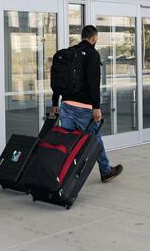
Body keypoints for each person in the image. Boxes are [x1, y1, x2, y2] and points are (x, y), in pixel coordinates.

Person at [50, 25, 123, 183]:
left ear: (82, 36)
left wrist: (55, 103)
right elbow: (93, 83)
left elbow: (58, 80)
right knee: (95, 139)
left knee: (66, 141)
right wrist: (96, 107)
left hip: (66, 105)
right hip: (84, 109)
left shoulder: (68, 53)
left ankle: (59, 175)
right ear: (94, 38)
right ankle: (105, 171)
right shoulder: (92, 55)